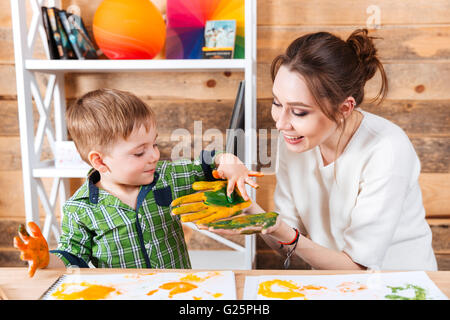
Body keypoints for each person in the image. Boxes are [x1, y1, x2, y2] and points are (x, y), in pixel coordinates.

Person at [211, 29, 438, 271]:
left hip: (401, 287)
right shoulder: (294, 140)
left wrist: (280, 230)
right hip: (333, 285)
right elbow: (284, 243)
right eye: (277, 103)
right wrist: (246, 204)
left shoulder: (387, 149)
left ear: (344, 108)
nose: (281, 123)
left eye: (299, 111)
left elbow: (358, 268)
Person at [13, 88, 256, 276]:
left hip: (179, 291)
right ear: (100, 161)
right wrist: (47, 259)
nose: (154, 155)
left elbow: (208, 163)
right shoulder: (80, 209)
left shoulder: (166, 176)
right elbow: (72, 257)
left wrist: (229, 161)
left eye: (155, 144)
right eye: (139, 153)